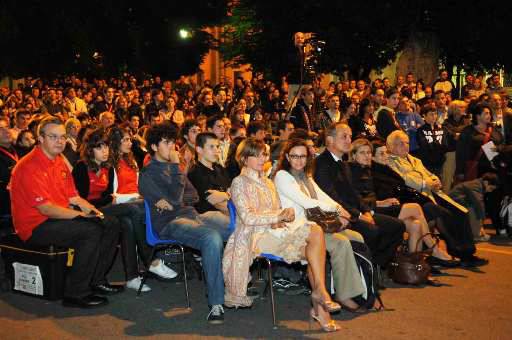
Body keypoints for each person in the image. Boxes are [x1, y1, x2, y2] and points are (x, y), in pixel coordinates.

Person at [223, 138, 341, 332]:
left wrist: (283, 216)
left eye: (264, 154)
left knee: (316, 234)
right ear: (244, 159)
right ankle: (321, 303)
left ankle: (320, 294)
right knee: (315, 251)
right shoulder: (239, 182)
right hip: (256, 236)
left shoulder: (268, 182)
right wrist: (276, 216)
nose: (263, 158)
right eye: (257, 155)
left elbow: (277, 210)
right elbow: (247, 217)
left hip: (276, 230)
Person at [9, 117, 122, 308]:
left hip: (56, 218)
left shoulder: (59, 160)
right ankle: (76, 293)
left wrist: (96, 213)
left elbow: (74, 198)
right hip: (35, 225)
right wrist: (82, 216)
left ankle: (96, 280)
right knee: (89, 230)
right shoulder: (29, 166)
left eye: (62, 137)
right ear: (41, 138)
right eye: (53, 137)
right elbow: (46, 209)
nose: (60, 141)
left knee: (110, 223)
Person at [139, 123, 229, 324]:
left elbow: (193, 195)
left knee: (234, 227)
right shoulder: (147, 174)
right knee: (211, 237)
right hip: (170, 223)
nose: (171, 147)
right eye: (166, 142)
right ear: (154, 147)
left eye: (172, 142)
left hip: (192, 215)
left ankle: (236, 284)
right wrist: (174, 171)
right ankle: (216, 303)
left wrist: (173, 199)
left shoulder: (175, 170)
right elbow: (175, 199)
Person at [274, 138, 367, 312]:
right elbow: (308, 202)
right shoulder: (282, 176)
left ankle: (363, 290)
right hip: (298, 230)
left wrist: (340, 208)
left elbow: (321, 196)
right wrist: (337, 211)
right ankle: (343, 294)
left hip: (314, 225)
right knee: (341, 242)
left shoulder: (305, 176)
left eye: (303, 156)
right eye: (294, 156)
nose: (299, 160)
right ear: (287, 157)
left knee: (357, 237)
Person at [386, 130, 488, 267]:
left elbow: (430, 174)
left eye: (407, 143)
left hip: (433, 193)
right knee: (445, 215)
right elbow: (404, 180)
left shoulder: (415, 159)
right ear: (391, 147)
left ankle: (467, 252)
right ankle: (455, 252)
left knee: (461, 212)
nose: (405, 146)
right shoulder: (390, 162)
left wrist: (436, 180)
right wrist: (427, 183)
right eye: (401, 144)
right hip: (416, 198)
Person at [313, 123, 405, 269]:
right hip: (337, 215)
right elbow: (333, 197)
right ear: (330, 140)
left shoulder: (342, 164)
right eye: (344, 136)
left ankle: (375, 266)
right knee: (372, 231)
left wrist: (366, 211)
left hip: (354, 212)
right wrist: (359, 215)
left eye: (350, 136)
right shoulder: (321, 164)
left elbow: (353, 193)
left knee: (397, 226)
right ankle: (367, 269)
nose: (349, 140)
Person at [348, 138, 454, 264]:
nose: (367, 156)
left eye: (368, 152)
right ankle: (434, 249)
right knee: (415, 207)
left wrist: (381, 202)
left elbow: (369, 196)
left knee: (415, 224)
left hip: (376, 206)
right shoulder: (353, 171)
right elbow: (356, 199)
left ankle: (414, 266)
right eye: (362, 153)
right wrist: (380, 203)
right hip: (367, 212)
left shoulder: (367, 169)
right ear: (353, 155)